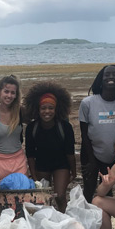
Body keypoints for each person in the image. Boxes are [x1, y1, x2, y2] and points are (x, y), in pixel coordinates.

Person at [24, 81, 76, 212]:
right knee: (43, 198)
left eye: (51, 108)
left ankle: (64, 219)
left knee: (60, 196)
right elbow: (30, 154)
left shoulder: (65, 127)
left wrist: (74, 171)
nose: (47, 111)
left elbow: (70, 153)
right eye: (43, 108)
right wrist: (33, 174)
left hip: (61, 165)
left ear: (56, 109)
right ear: (38, 109)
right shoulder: (32, 128)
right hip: (41, 165)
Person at [79, 65, 115, 202]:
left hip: (114, 156)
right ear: (101, 78)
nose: (111, 77)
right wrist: (92, 161)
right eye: (107, 74)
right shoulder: (87, 103)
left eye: (114, 74)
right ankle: (85, 218)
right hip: (90, 154)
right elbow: (84, 135)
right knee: (88, 189)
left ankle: (105, 220)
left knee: (107, 191)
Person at [0, 75, 28, 181]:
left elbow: (38, 123)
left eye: (13, 93)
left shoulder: (21, 111)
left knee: (21, 195)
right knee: (1, 195)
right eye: (6, 91)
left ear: (16, 95)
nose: (9, 95)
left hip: (19, 161)